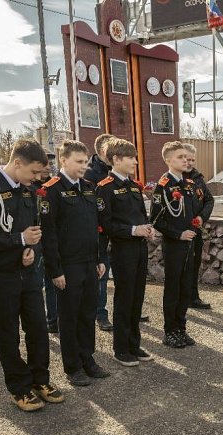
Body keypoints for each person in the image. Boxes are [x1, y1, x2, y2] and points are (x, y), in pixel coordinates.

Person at [0, 139, 64, 412]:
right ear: (18, 163)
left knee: (37, 328)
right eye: (34, 172)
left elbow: (34, 231)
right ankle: (19, 387)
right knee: (7, 334)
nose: (37, 178)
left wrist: (31, 249)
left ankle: (40, 379)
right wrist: (18, 240)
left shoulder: (29, 190)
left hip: (28, 273)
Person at [40, 140, 110, 386]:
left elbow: (95, 227)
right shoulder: (51, 190)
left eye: (86, 162)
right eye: (78, 162)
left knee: (88, 313)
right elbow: (48, 234)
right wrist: (55, 270)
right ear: (63, 160)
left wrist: (99, 258)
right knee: (69, 317)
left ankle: (87, 359)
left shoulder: (89, 187)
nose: (83, 166)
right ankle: (73, 367)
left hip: (89, 262)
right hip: (67, 265)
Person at [96, 138, 155, 366]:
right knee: (124, 298)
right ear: (116, 159)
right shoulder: (105, 187)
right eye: (131, 158)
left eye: (135, 157)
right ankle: (121, 348)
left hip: (139, 248)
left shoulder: (133, 186)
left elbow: (140, 215)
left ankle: (133, 344)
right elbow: (105, 224)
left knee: (137, 297)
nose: (135, 162)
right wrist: (133, 230)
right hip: (122, 250)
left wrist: (146, 228)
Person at [150, 142, 204, 348]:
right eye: (180, 157)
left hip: (189, 243)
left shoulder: (188, 184)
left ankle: (181, 328)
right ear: (168, 160)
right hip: (174, 245)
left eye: (186, 157)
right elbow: (156, 220)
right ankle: (170, 331)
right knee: (173, 289)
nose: (185, 160)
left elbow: (192, 212)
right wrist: (178, 234)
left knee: (185, 288)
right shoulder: (163, 186)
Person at [85, 133, 115, 332]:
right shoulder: (90, 174)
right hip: (100, 233)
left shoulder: (115, 170)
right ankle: (100, 314)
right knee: (101, 276)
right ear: (102, 150)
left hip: (118, 232)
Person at [183, 143, 214, 310]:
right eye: (186, 159)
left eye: (192, 160)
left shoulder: (198, 178)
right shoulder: (174, 179)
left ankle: (193, 297)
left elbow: (209, 199)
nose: (189, 163)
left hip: (196, 230)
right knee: (182, 267)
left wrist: (202, 217)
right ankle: (180, 299)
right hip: (180, 232)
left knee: (195, 265)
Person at [35, 158, 59, 333]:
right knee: (36, 285)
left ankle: (53, 319)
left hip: (51, 242)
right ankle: (39, 321)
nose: (47, 168)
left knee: (52, 283)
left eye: (49, 164)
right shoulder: (29, 185)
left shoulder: (53, 187)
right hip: (34, 243)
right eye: (43, 165)